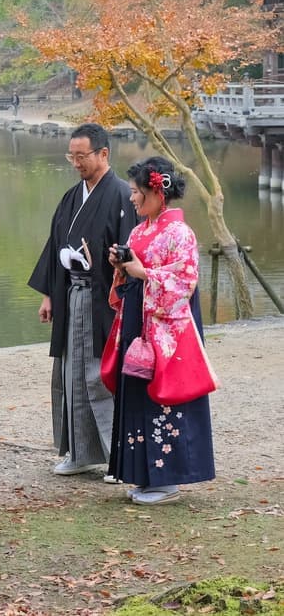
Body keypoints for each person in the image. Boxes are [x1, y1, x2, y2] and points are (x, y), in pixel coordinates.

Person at [102, 157, 216, 505]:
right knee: (136, 392)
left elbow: (184, 282)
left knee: (162, 398)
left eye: (137, 192)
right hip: (138, 322)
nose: (132, 198)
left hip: (166, 330)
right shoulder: (140, 231)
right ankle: (143, 476)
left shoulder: (180, 233)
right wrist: (121, 267)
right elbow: (135, 273)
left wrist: (143, 273)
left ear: (157, 192)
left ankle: (167, 480)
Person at [28, 123, 137, 477]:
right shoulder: (73, 197)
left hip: (105, 300)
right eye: (71, 156)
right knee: (70, 374)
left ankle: (116, 458)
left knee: (98, 376)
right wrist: (48, 295)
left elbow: (131, 253)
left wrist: (120, 276)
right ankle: (80, 452)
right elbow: (55, 243)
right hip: (71, 296)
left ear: (103, 153)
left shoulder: (122, 196)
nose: (75, 162)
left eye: (81, 156)